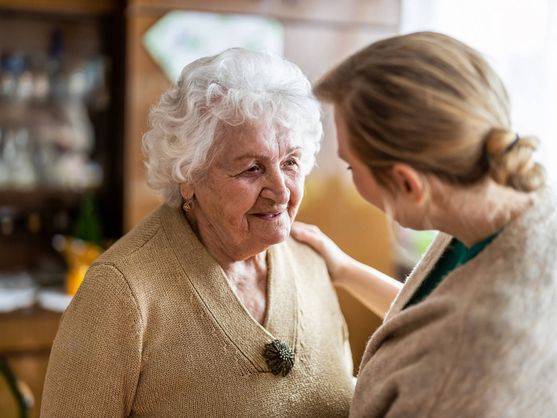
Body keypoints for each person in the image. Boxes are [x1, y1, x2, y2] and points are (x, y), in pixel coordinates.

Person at [41, 48, 354, 417]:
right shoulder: (120, 293)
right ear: (188, 176)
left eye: (290, 163)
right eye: (252, 168)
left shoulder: (311, 263)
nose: (281, 191)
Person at [292, 31, 557, 417]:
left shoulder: (467, 366)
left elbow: (450, 343)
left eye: (350, 165)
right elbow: (430, 319)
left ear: (406, 183)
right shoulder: (504, 198)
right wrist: (344, 269)